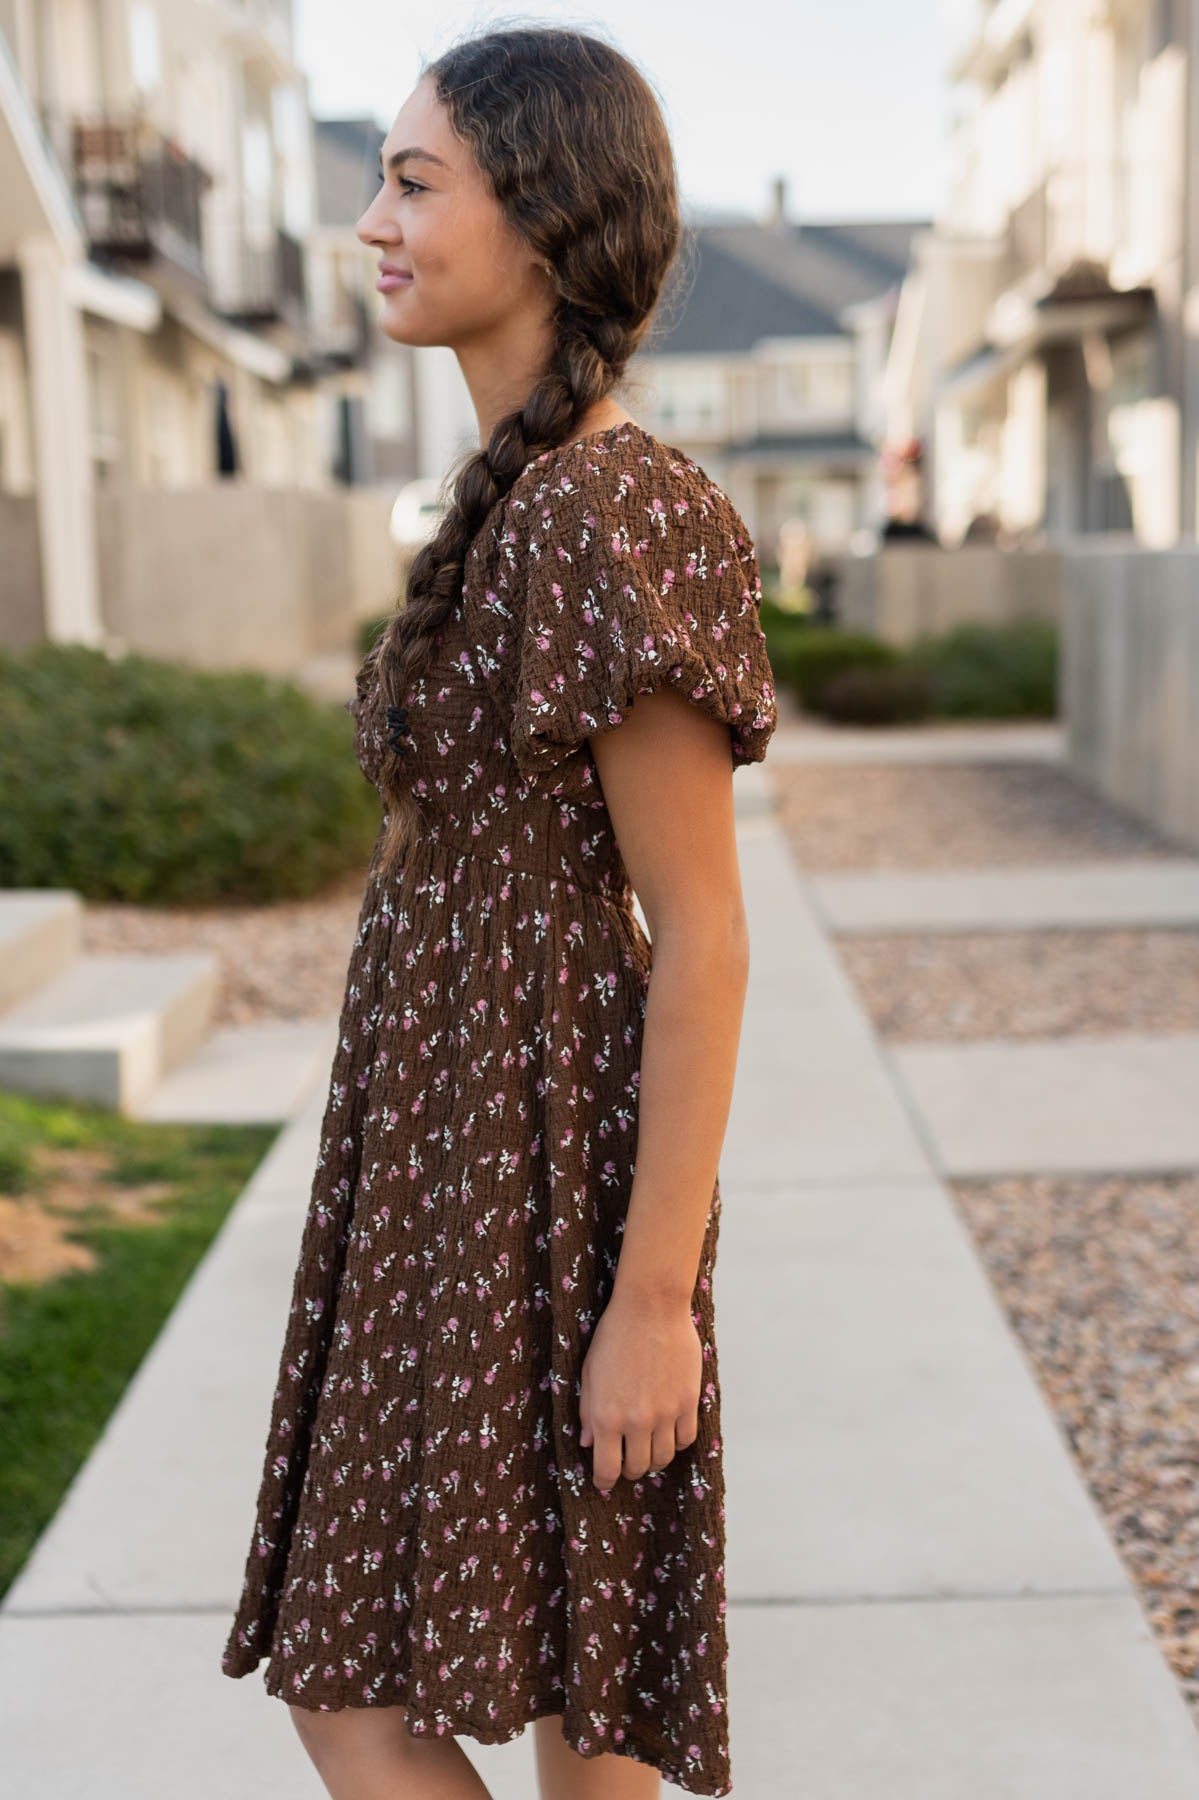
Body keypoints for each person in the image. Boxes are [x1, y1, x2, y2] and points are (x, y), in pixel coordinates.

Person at [220, 25, 778, 1800]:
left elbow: (701, 927)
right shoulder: (519, 498)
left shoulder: (611, 507)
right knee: (549, 1682)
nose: (369, 220)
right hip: (446, 1153)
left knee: (466, 1693)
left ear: (537, 218)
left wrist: (652, 1301)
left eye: (410, 179)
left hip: (550, 1163)